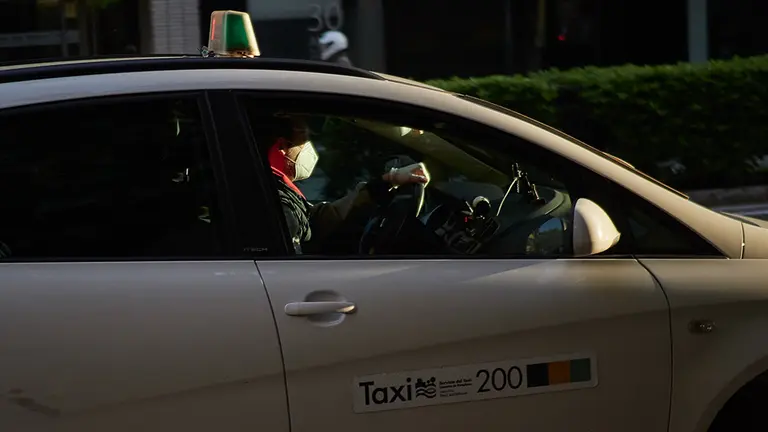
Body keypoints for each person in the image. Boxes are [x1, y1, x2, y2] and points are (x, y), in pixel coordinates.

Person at [266, 115, 429, 254]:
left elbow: (317, 218)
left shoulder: (274, 189)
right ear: (282, 146)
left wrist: (387, 181)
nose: (309, 149)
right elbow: (293, 267)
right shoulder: (279, 206)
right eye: (305, 141)